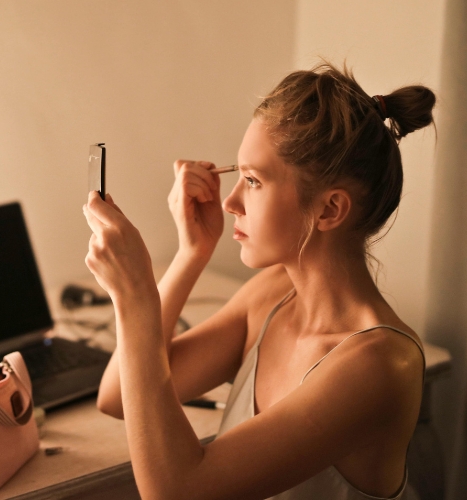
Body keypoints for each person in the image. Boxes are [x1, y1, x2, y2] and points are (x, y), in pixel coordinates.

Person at [82, 63, 436, 499]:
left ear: (329, 210)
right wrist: (191, 253)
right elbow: (117, 396)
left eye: (253, 180)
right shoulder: (273, 295)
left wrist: (136, 296)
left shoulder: (378, 365)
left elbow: (178, 491)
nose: (230, 201)